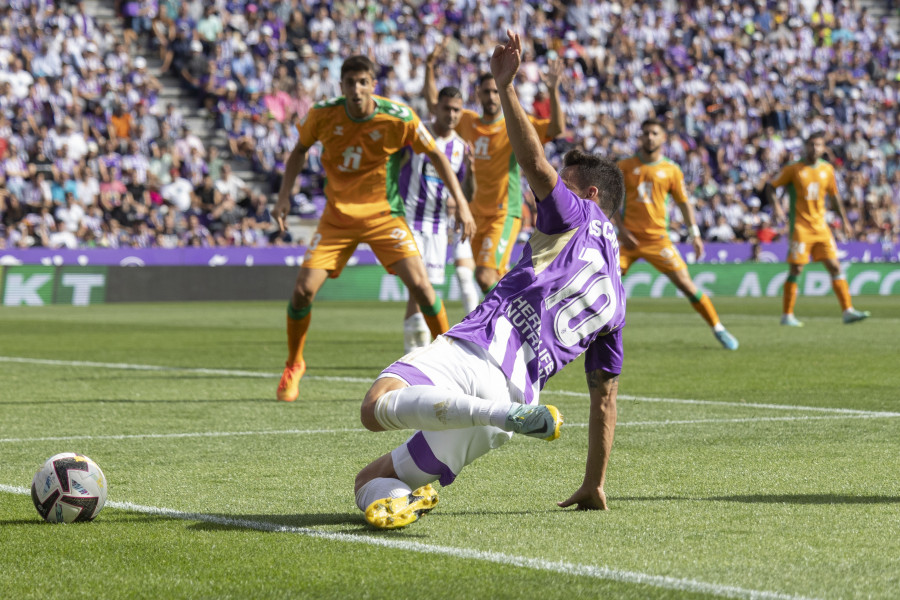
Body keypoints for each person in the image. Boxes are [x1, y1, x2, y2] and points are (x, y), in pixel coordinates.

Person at [353, 31, 626, 530]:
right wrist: (595, 481)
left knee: (374, 408)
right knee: (369, 482)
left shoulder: (578, 213)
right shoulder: (617, 302)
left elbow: (536, 165)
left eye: (564, 188)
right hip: (522, 392)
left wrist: (506, 89)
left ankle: (496, 415)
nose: (551, 196)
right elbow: (604, 399)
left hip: (479, 351)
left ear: (589, 194)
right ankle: (411, 492)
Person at [272, 55, 475, 403]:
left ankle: (452, 366)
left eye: (362, 82)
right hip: (337, 218)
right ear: (341, 86)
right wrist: (283, 196)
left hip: (384, 215)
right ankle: (294, 363)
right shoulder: (322, 115)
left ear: (372, 85)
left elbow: (438, 155)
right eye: (350, 83)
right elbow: (298, 151)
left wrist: (463, 202)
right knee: (303, 290)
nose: (356, 90)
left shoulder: (398, 117)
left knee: (424, 289)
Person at [424, 40, 566, 294]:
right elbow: (436, 106)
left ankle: (507, 321)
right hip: (475, 213)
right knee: (494, 277)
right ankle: (523, 312)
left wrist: (553, 91)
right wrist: (429, 66)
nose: (491, 96)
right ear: (477, 93)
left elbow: (555, 129)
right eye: (486, 92)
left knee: (484, 274)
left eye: (494, 91)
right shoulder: (467, 121)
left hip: (504, 212)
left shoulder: (514, 125)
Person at [615, 119, 739, 350]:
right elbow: (611, 203)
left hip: (658, 240)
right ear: (640, 138)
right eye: (645, 133)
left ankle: (718, 328)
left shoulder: (671, 170)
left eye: (654, 133)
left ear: (663, 138)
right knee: (603, 283)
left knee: (687, 285)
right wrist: (621, 231)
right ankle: (585, 338)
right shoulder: (624, 166)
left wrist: (695, 235)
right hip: (626, 240)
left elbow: (684, 204)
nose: (649, 137)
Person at [398, 85, 480, 352]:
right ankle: (413, 352)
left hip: (437, 226)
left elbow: (466, 194)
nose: (452, 114)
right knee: (420, 287)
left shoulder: (459, 147)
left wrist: (471, 172)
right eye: (447, 108)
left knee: (428, 289)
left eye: (457, 110)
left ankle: (417, 351)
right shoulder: (416, 134)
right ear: (436, 108)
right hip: (409, 220)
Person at [761, 131, 870, 326]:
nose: (814, 148)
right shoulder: (794, 169)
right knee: (797, 268)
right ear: (805, 147)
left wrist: (844, 220)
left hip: (821, 227)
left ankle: (848, 311)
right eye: (811, 145)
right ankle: (787, 315)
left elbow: (834, 196)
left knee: (835, 266)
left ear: (823, 148)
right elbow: (770, 186)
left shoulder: (827, 169)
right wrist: (776, 206)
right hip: (801, 227)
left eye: (818, 145)